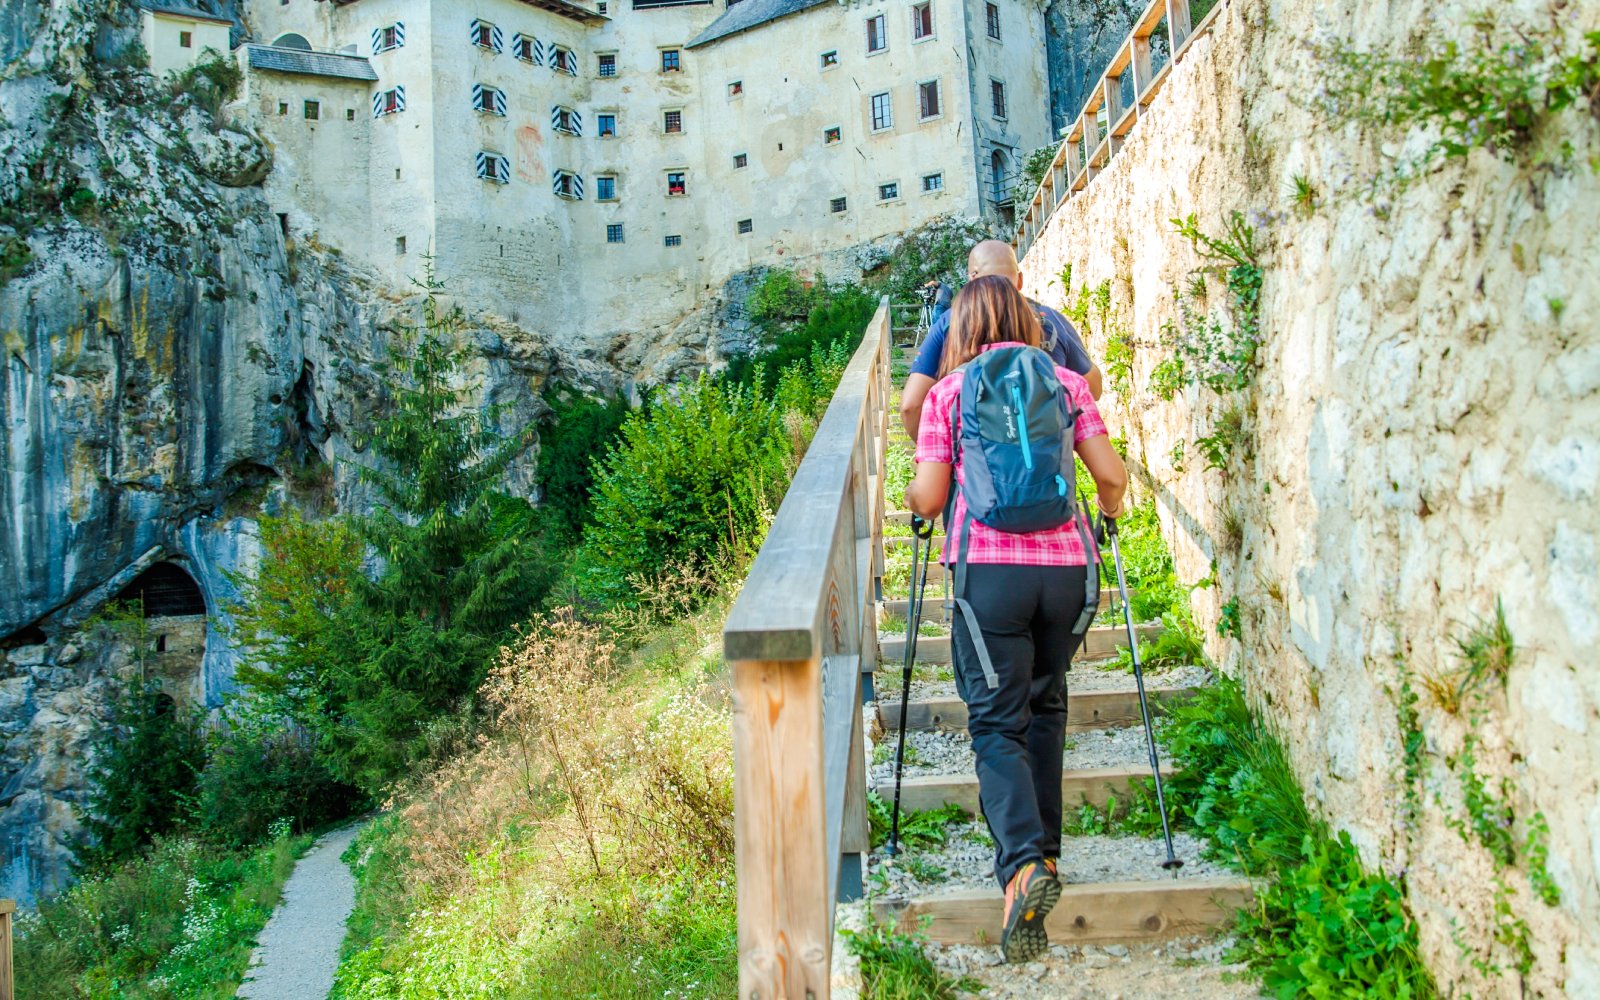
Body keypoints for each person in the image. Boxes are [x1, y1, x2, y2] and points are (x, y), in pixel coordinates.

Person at [903, 275, 1128, 963]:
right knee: (1047, 706)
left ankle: (1023, 867)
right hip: (1068, 573)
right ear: (1029, 321)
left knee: (997, 721)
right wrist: (1111, 518)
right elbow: (1112, 477)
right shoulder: (1066, 383)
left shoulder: (947, 393)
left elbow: (931, 496)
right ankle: (1046, 862)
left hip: (990, 573)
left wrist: (915, 498)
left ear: (963, 328)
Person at [900, 241, 1103, 439]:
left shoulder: (949, 321)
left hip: (971, 465)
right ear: (1020, 280)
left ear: (972, 278)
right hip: (1046, 464)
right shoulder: (1050, 320)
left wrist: (937, 455)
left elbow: (911, 406)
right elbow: (1092, 388)